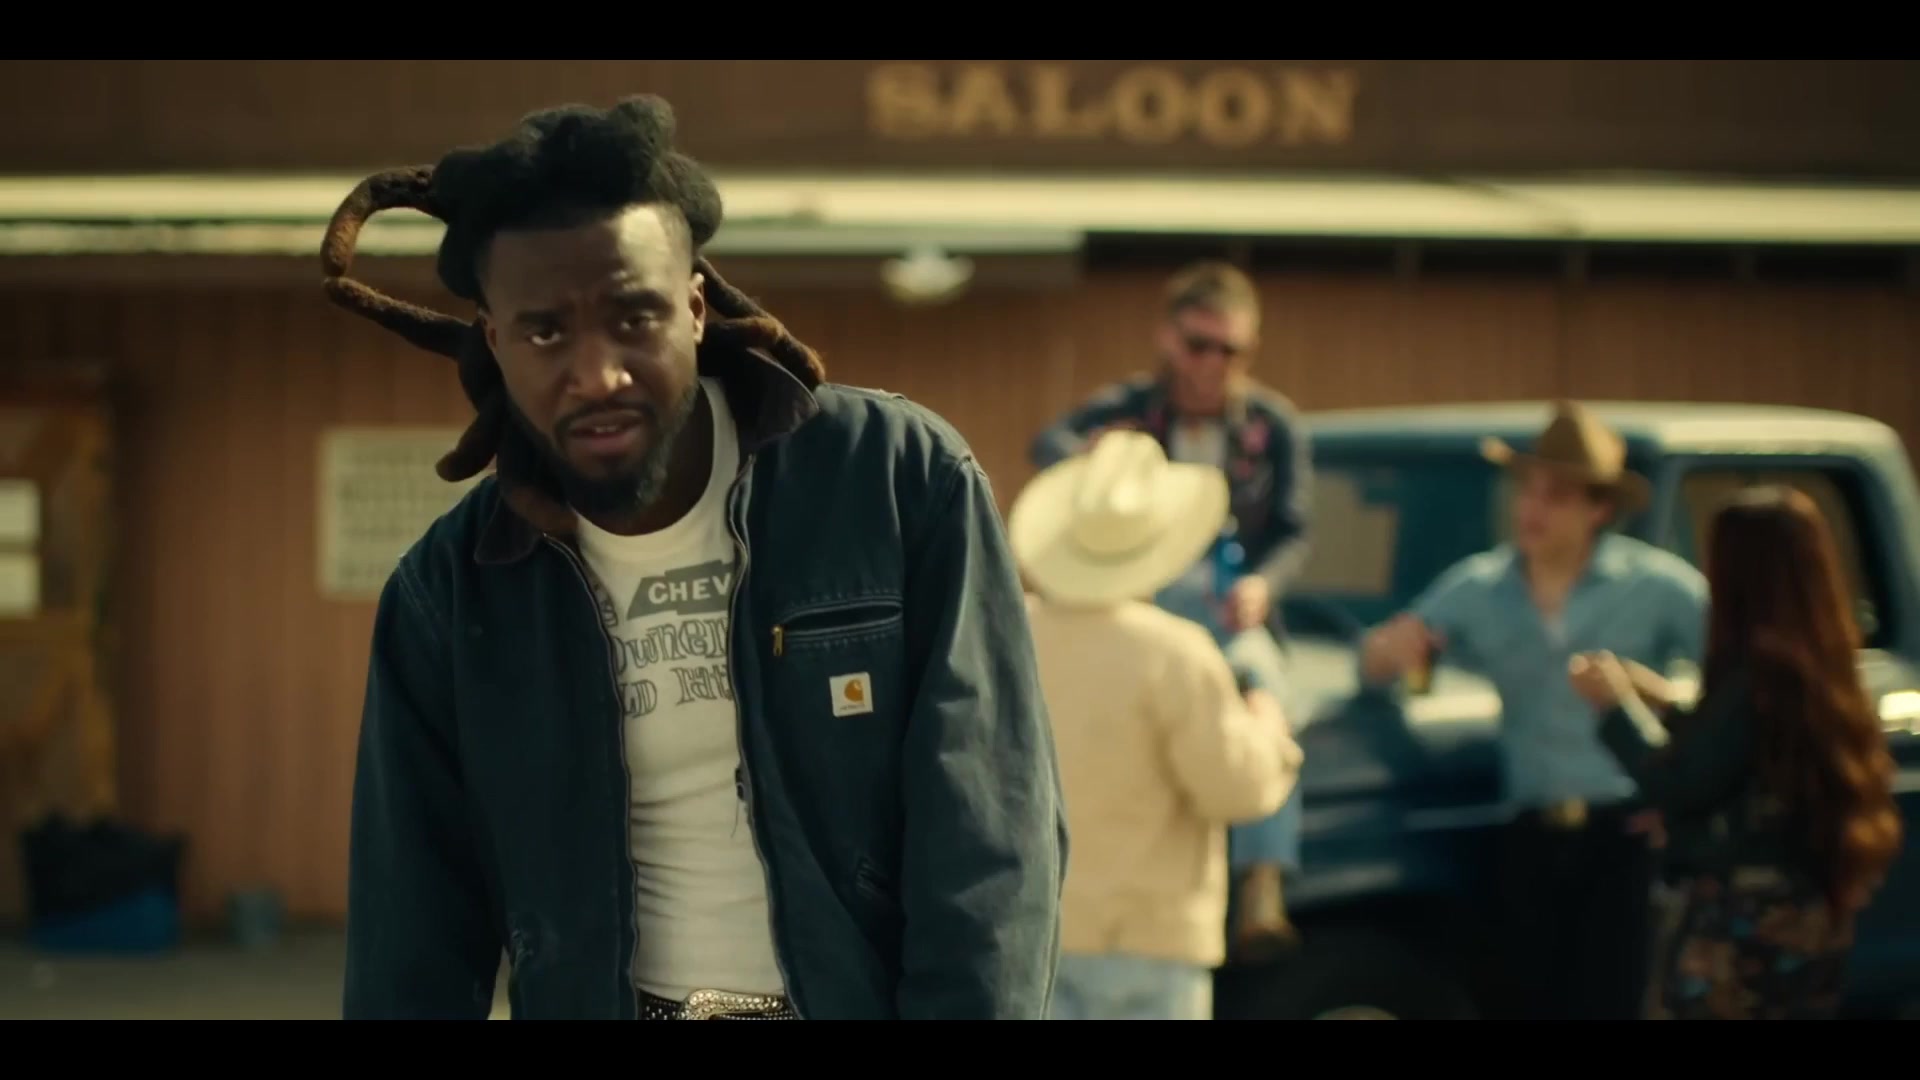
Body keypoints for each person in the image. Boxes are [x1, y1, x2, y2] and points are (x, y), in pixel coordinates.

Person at [320, 96, 1067, 1020]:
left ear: (696, 308)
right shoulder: (450, 596)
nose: (598, 374)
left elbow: (989, 839)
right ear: (495, 343)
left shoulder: (893, 481)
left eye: (634, 317)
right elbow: (411, 936)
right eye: (546, 332)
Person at [1357, 400, 1708, 1021]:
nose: (1533, 510)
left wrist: (1649, 693)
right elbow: (1381, 657)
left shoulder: (1656, 585)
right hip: (1529, 830)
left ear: (1599, 509)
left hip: (1625, 832)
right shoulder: (1481, 586)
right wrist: (1389, 652)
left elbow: (1732, 682)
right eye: (1528, 491)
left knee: (1612, 1002)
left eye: (1558, 496)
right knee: (1521, 1002)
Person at [1030, 259, 1311, 956]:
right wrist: (1098, 457)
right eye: (1197, 345)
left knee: (1266, 684)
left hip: (1229, 603)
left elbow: (1294, 529)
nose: (1212, 364)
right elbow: (1047, 443)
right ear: (1167, 338)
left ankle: (1263, 879)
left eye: (1230, 350)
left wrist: (1263, 586)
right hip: (1137, 598)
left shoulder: (1273, 423)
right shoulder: (1129, 407)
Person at [1569, 485, 1902, 1020]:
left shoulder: (1762, 673)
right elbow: (1736, 753)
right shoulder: (1817, 667)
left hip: (1740, 925)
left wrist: (1616, 706)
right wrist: (1662, 698)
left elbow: (1681, 781)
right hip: (1807, 915)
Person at [1011, 429, 1303, 1020]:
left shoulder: (1011, 634)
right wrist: (1270, 729)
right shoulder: (1175, 653)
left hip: (1032, 929)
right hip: (1149, 942)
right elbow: (1237, 789)